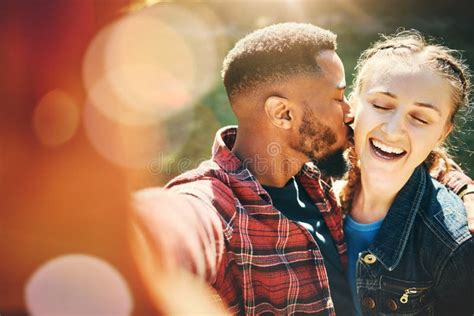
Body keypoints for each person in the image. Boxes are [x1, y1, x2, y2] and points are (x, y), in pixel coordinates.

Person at [132, 23, 474, 315]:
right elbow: (179, 224)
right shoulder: (215, 206)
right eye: (339, 98)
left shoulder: (317, 179)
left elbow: (418, 155)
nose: (350, 112)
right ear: (283, 113)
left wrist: (465, 191)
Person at [340, 30, 474, 315]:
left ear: (443, 132)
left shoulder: (454, 244)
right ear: (353, 105)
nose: (393, 129)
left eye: (421, 118)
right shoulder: (313, 185)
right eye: (381, 105)